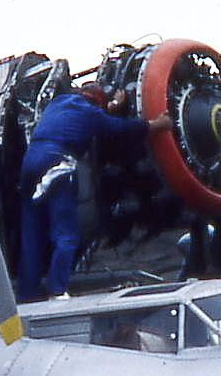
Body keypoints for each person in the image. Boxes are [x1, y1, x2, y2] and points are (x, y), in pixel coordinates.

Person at [16, 83, 171, 301]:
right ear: (98, 102)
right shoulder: (89, 113)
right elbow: (119, 129)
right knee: (65, 234)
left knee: (31, 235)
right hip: (55, 163)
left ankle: (26, 294)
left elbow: (95, 120)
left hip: (29, 163)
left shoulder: (57, 103)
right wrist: (157, 124)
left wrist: (111, 107)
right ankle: (57, 291)